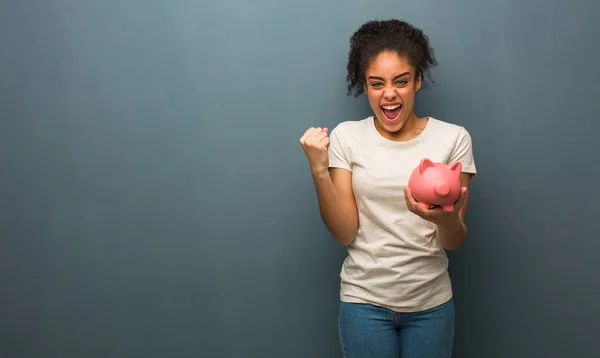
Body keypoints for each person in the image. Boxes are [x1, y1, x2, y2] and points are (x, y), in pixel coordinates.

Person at [299, 19, 477, 358]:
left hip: (431, 305)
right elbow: (344, 232)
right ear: (365, 87)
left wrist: (442, 219)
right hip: (364, 303)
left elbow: (453, 240)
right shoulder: (348, 137)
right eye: (376, 83)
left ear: (418, 81)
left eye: (401, 81)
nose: (389, 93)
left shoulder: (453, 139)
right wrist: (319, 171)